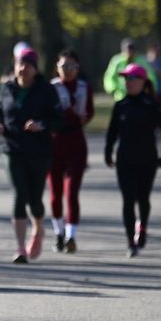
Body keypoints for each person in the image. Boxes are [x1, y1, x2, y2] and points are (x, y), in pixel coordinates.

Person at [0, 47, 63, 263]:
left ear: (35, 68)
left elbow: (58, 120)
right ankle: (20, 247)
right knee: (19, 194)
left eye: (28, 65)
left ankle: (38, 228)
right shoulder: (6, 87)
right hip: (11, 148)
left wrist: (41, 124)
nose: (23, 68)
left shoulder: (46, 90)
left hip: (39, 150)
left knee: (35, 198)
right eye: (20, 64)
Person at [104, 63, 161, 258]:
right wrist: (108, 152)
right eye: (126, 79)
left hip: (147, 159)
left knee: (143, 198)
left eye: (133, 79)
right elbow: (112, 132)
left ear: (143, 81)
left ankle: (142, 226)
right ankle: (130, 242)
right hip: (125, 159)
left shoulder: (153, 106)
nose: (129, 83)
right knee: (127, 200)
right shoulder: (120, 106)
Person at [48, 49, 94, 253]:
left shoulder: (84, 87)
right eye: (64, 66)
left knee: (72, 192)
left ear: (78, 68)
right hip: (54, 143)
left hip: (76, 142)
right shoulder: (51, 88)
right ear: (56, 68)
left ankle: (71, 236)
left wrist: (85, 117)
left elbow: (90, 111)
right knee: (56, 193)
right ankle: (58, 231)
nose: (68, 70)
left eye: (73, 66)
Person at [103, 37, 156, 102]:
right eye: (127, 49)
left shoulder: (142, 61)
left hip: (140, 97)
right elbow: (109, 76)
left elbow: (151, 77)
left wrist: (150, 90)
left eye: (131, 49)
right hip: (121, 96)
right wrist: (113, 89)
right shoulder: (116, 61)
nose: (129, 52)